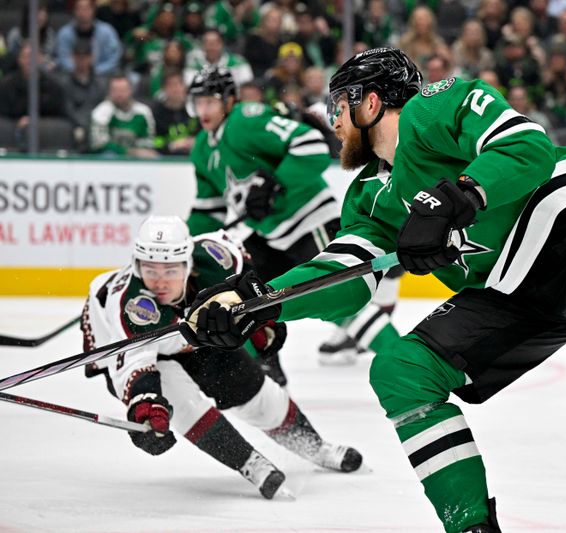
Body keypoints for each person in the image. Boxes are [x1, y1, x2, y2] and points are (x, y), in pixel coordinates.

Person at [182, 47, 566, 533]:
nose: (332, 120)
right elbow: (345, 275)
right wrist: (254, 299)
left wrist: (460, 196)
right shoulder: (370, 195)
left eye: (339, 106)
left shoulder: (433, 106)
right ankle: (473, 528)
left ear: (370, 103)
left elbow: (524, 144)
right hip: (510, 287)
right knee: (401, 369)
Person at [81, 215, 363, 499]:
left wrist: (258, 315)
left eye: (170, 271)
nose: (159, 283)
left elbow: (244, 265)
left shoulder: (215, 258)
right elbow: (134, 364)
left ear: (188, 264)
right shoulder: (131, 306)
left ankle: (315, 446)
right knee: (178, 402)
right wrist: (145, 408)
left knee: (255, 392)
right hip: (123, 348)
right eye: (150, 271)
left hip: (192, 336)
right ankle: (249, 463)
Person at [185, 66, 401, 379]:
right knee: (246, 301)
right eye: (198, 103)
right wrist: (187, 247)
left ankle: (400, 356)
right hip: (272, 237)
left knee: (341, 299)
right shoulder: (203, 149)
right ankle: (264, 378)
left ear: (229, 100)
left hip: (309, 221)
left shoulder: (244, 120)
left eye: (210, 101)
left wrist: (275, 183)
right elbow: (210, 210)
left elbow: (312, 145)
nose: (203, 110)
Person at [89, 74, 159, 158]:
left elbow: (149, 140)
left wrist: (141, 150)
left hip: (137, 155)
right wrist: (127, 151)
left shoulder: (143, 112)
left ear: (130, 90)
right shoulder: (101, 112)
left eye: (122, 90)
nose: (119, 94)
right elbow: (98, 143)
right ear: (109, 92)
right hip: (109, 157)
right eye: (115, 90)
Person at [55, 0, 123, 76]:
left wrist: (94, 72)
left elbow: (113, 58)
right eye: (79, 9)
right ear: (74, 11)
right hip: (71, 77)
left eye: (85, 9)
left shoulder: (107, 32)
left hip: (102, 75)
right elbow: (63, 58)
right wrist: (78, 72)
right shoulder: (64, 33)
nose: (82, 13)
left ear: (93, 10)